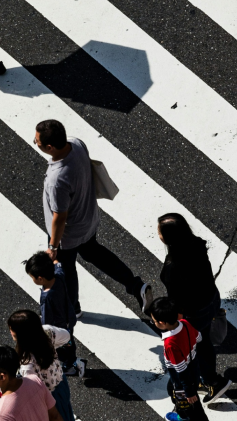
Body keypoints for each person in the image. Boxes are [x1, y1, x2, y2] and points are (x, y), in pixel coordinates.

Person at [35, 119, 151, 317]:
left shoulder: (57, 179)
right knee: (95, 253)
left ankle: (73, 309)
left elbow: (59, 217)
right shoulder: (77, 145)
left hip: (68, 234)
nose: (35, 142)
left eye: (36, 141)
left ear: (50, 147)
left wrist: (53, 247)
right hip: (88, 219)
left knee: (66, 270)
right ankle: (135, 286)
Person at [158, 214, 230, 403]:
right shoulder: (196, 244)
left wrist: (176, 326)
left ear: (169, 236)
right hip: (210, 299)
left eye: (160, 231)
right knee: (203, 340)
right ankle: (209, 379)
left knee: (198, 345)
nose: (158, 234)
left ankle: (211, 380)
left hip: (194, 311)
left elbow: (176, 301)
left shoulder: (174, 266)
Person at [7, 308, 81, 421]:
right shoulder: (48, 332)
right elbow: (66, 335)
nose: (10, 333)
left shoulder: (26, 363)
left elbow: (29, 389)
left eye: (13, 332)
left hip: (46, 400)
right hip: (61, 385)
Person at [149, 297, 220, 421]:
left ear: (161, 323)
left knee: (196, 410)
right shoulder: (186, 324)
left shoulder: (170, 345)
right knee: (171, 390)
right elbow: (199, 338)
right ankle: (183, 416)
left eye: (153, 321)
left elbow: (180, 370)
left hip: (183, 378)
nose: (153, 322)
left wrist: (189, 391)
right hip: (193, 367)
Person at [24, 250, 85, 377]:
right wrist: (53, 259)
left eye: (32, 277)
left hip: (58, 327)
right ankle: (73, 360)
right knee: (69, 342)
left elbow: (46, 322)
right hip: (68, 319)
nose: (32, 279)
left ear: (40, 278)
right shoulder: (59, 277)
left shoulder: (47, 298)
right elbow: (59, 266)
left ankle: (73, 365)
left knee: (60, 349)